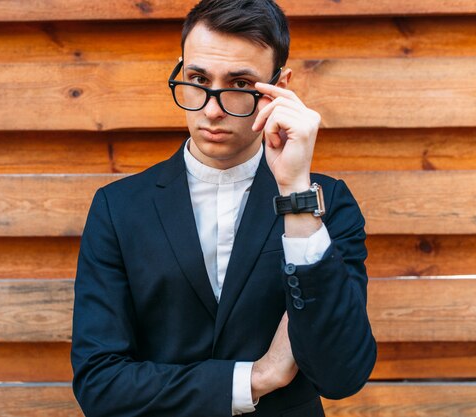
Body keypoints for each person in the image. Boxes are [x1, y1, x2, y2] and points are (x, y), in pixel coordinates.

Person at [71, 0, 377, 416]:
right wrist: (256, 378)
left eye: (239, 84)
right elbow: (99, 385)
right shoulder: (118, 207)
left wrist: (294, 193)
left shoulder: (327, 201)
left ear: (280, 86)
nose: (212, 110)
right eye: (197, 79)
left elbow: (342, 375)